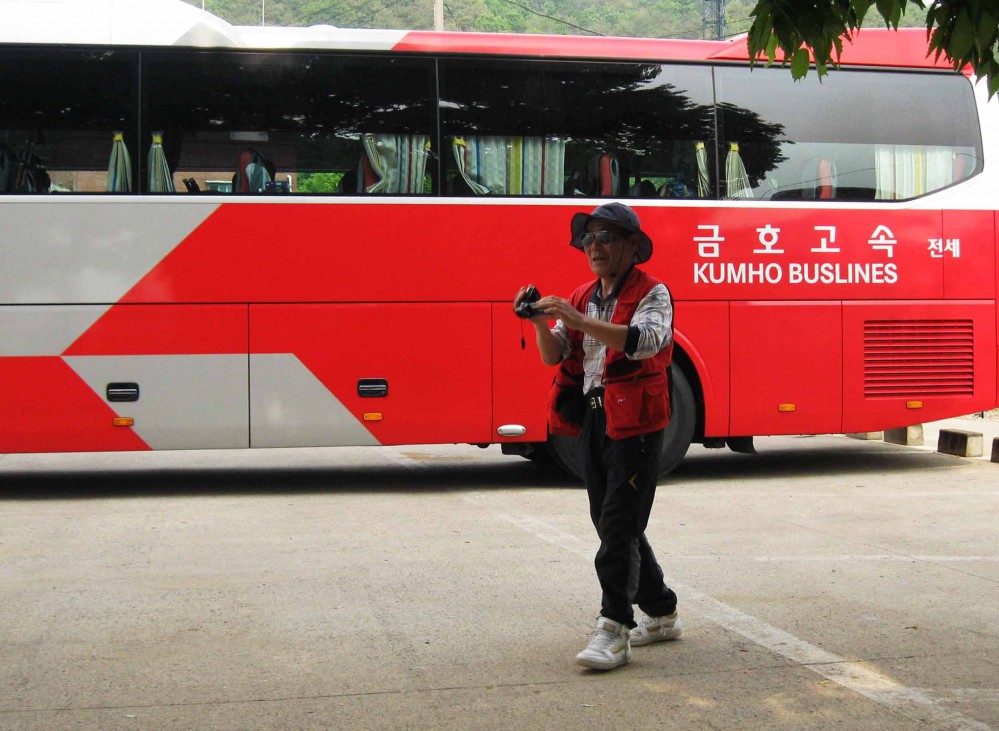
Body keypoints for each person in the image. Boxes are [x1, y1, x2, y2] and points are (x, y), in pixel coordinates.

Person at [514, 202, 681, 671]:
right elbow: (555, 356)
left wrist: (577, 318)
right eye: (589, 238)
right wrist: (537, 321)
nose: (595, 245)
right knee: (613, 523)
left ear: (632, 246)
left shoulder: (654, 293)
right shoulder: (584, 294)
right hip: (594, 421)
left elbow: (645, 341)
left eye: (606, 236)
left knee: (618, 526)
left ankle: (614, 626)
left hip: (638, 428)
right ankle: (663, 611)